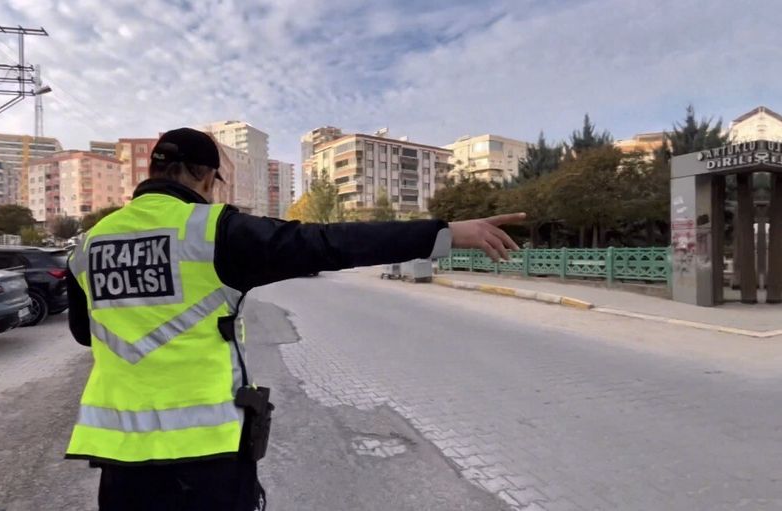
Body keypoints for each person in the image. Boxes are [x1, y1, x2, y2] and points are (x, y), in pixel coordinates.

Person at [65, 127, 525, 511]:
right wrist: (443, 233)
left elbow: (85, 333)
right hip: (207, 457)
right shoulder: (212, 231)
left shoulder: (89, 244)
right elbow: (328, 242)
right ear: (204, 176)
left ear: (152, 171)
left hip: (119, 459)